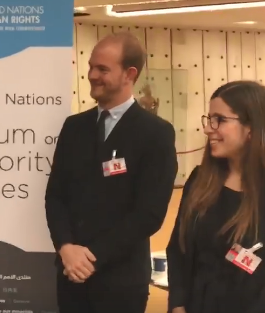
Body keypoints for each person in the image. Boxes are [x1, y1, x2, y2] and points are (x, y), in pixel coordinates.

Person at [45, 32, 177, 313]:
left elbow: (149, 214)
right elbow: (55, 196)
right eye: (91, 66)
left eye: (103, 69)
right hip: (70, 275)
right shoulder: (74, 127)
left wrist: (91, 257)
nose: (92, 75)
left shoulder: (155, 133)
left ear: (129, 74)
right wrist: (66, 248)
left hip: (121, 281)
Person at [166, 81, 265, 313]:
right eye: (209, 119)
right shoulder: (200, 180)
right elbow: (178, 249)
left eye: (220, 120)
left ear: (251, 128)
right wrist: (177, 304)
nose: (208, 129)